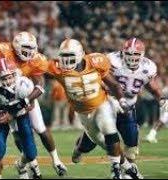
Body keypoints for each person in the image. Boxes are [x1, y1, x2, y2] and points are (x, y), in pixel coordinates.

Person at [48, 38, 140, 179]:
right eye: (64, 56)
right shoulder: (56, 67)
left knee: (109, 129)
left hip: (101, 104)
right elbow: (35, 68)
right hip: (83, 113)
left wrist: (121, 100)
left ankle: (115, 171)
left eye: (70, 56)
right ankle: (127, 166)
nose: (66, 60)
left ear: (80, 54)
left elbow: (114, 84)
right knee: (102, 142)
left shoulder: (95, 62)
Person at [0, 31, 67, 177]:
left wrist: (26, 100)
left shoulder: (37, 60)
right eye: (26, 47)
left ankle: (55, 160)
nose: (30, 51)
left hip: (25, 96)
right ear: (16, 45)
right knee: (17, 133)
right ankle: (31, 164)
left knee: (40, 127)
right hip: (6, 100)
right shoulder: (3, 51)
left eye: (32, 47)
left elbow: (40, 85)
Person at [0, 58, 41, 179]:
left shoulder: (23, 84)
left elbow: (32, 103)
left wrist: (13, 113)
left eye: (10, 77)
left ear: (16, 73)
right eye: (3, 78)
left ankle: (21, 165)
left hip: (19, 114)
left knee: (31, 153)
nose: (8, 81)